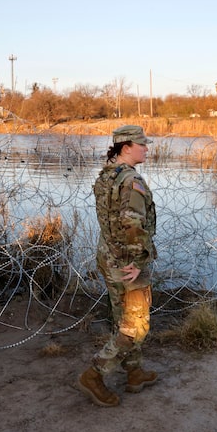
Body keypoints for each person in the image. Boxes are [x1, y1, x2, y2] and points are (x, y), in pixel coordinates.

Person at [78, 124, 158, 407]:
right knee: (136, 325)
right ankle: (94, 374)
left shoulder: (107, 175)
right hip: (127, 263)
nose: (146, 148)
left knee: (122, 315)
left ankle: (134, 372)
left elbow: (110, 221)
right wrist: (138, 262)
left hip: (109, 256)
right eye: (142, 144)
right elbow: (132, 224)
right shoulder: (130, 181)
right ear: (127, 147)